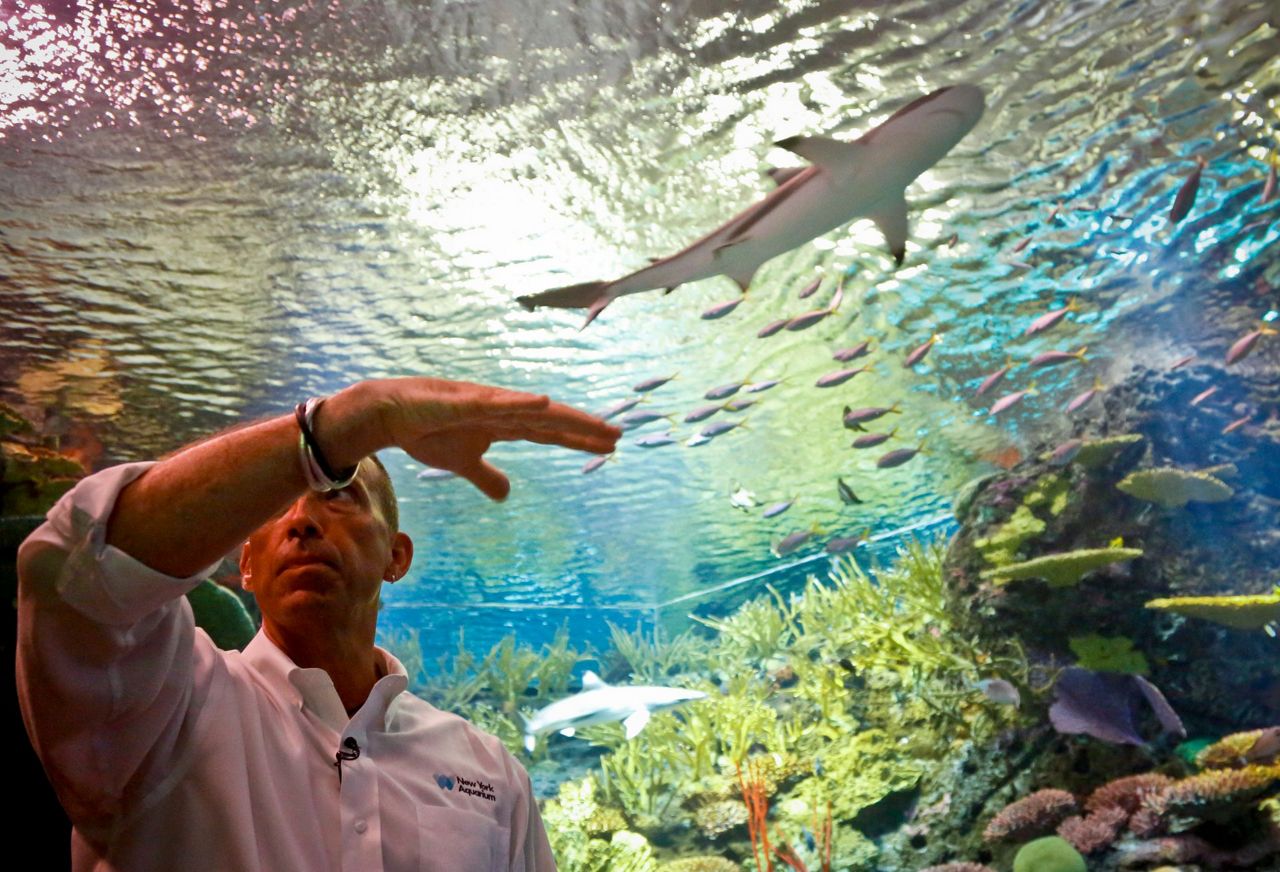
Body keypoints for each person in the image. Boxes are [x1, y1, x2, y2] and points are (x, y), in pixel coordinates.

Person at [15, 376, 621, 872]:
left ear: (396, 557)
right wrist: (340, 429)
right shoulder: (164, 708)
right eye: (276, 509)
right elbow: (76, 578)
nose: (300, 522)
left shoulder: (489, 771)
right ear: (245, 565)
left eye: (339, 495)